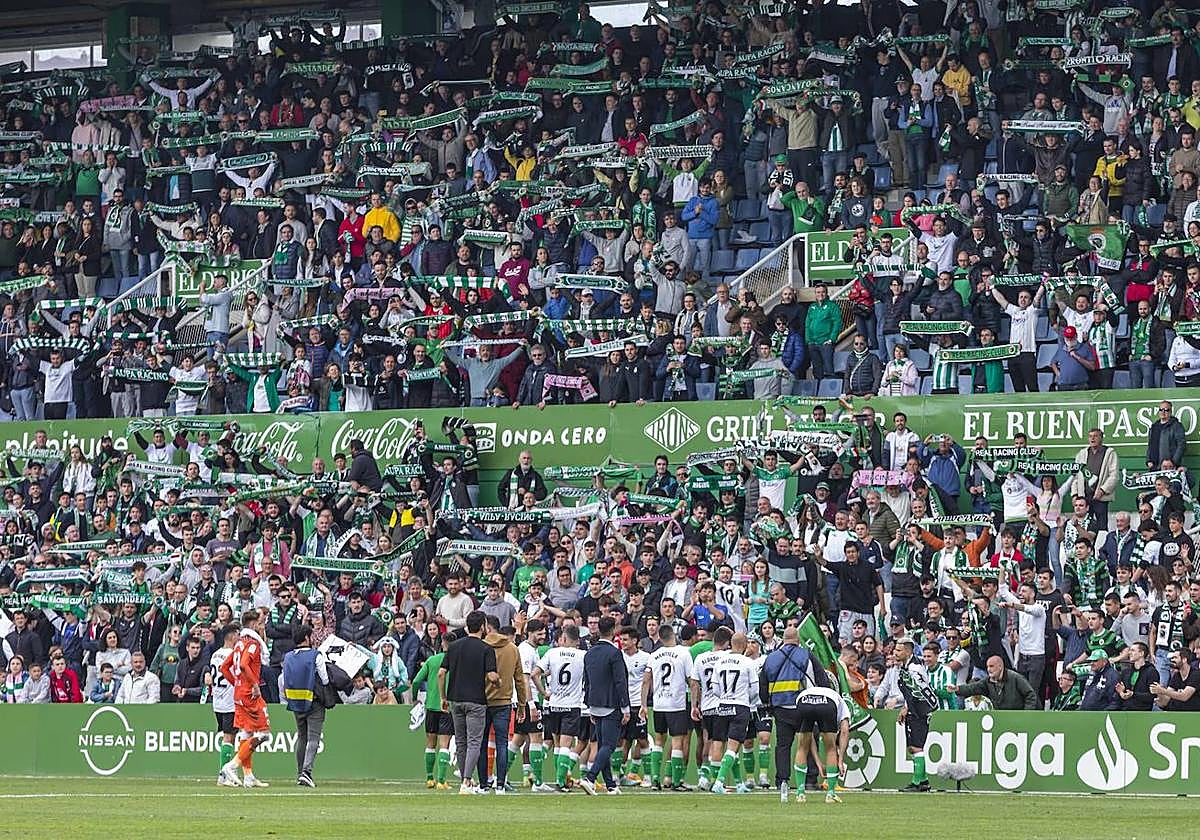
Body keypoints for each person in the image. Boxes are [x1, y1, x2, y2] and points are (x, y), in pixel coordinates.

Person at [758, 625, 828, 802]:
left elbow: (763, 685)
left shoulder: (771, 658)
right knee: (807, 742)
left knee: (783, 745)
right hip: (803, 705)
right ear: (798, 640)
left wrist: (768, 703)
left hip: (780, 708)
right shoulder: (806, 655)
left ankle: (782, 781)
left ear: (783, 640)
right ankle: (810, 779)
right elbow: (822, 678)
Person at [439, 611, 499, 795]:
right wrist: (499, 681)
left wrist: (443, 697)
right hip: (476, 700)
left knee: (461, 741)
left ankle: (466, 780)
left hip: (455, 699)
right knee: (474, 741)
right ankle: (466, 781)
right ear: (483, 626)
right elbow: (491, 676)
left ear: (467, 626)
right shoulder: (486, 649)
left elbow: (441, 673)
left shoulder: (454, 646)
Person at [219, 610, 272, 789]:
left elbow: (225, 667)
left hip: (239, 694)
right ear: (254, 624)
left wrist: (237, 684)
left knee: (247, 733)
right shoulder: (252, 643)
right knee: (264, 734)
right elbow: (243, 665)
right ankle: (231, 766)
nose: (262, 626)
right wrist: (254, 685)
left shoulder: (239, 643)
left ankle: (248, 776)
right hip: (250, 694)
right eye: (260, 623)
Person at [282, 622, 339, 788]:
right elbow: (325, 679)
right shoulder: (316, 655)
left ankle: (300, 773)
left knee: (301, 737)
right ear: (307, 638)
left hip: (295, 702)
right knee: (314, 738)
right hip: (313, 701)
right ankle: (307, 773)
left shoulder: (288, 656)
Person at [578, 615, 630, 796]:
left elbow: (587, 680)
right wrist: (625, 707)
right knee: (609, 745)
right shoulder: (615, 653)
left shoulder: (590, 652)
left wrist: (588, 704)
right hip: (611, 704)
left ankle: (611, 785)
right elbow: (620, 682)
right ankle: (590, 778)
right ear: (614, 630)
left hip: (594, 703)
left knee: (602, 746)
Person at [878, 638, 937, 792]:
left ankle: (917, 783)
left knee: (917, 747)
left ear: (908, 651)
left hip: (920, 711)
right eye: (895, 650)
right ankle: (923, 781)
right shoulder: (906, 666)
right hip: (913, 709)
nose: (895, 653)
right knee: (912, 747)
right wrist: (906, 707)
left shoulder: (914, 669)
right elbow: (911, 692)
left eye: (898, 650)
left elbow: (921, 692)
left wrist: (914, 709)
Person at [948, 655, 1039, 710]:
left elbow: (1030, 694)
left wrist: (1026, 714)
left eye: (991, 666)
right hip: (1001, 717)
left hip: (1018, 716)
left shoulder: (1015, 677)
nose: (989, 669)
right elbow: (973, 688)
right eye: (987, 667)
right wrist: (957, 689)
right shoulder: (988, 681)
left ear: (1000, 666)